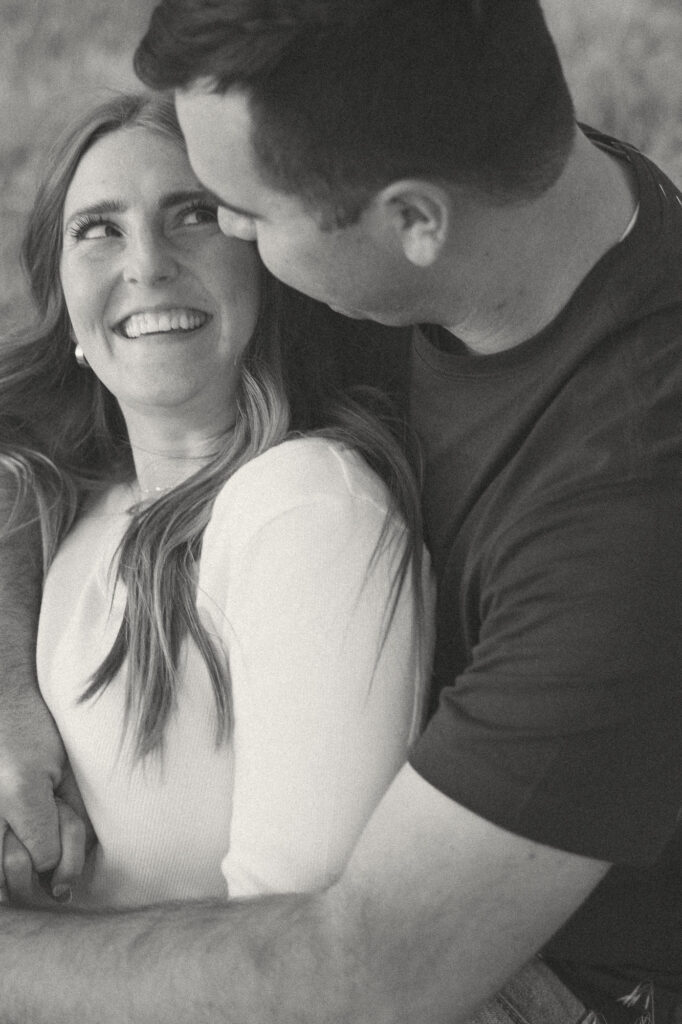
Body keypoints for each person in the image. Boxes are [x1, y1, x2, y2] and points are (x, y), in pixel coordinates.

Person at [0, 1, 681, 1022]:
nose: (213, 239)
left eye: (246, 214)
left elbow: (360, 973)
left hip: (527, 974)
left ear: (414, 221)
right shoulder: (456, 182)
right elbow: (39, 429)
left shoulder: (628, 516)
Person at [0, 90, 430, 913]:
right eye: (99, 230)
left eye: (192, 214)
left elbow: (294, 950)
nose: (147, 264)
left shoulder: (304, 507)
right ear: (67, 316)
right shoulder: (69, 503)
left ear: (264, 263)